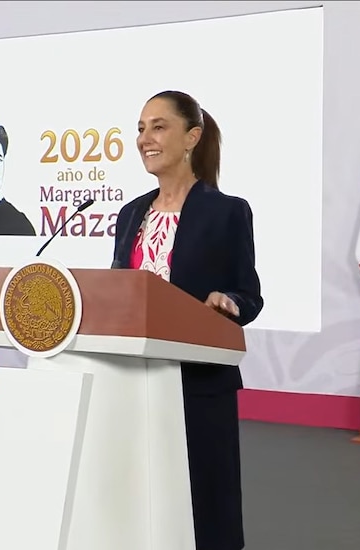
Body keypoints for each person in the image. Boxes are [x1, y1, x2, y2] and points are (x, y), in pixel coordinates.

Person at [111, 90, 263, 550]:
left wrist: (229, 303)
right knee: (138, 498)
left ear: (191, 136)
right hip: (131, 381)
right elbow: (119, 292)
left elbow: (249, 295)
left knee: (206, 502)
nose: (144, 138)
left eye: (158, 126)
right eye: (140, 128)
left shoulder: (227, 211)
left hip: (197, 383)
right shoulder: (130, 214)